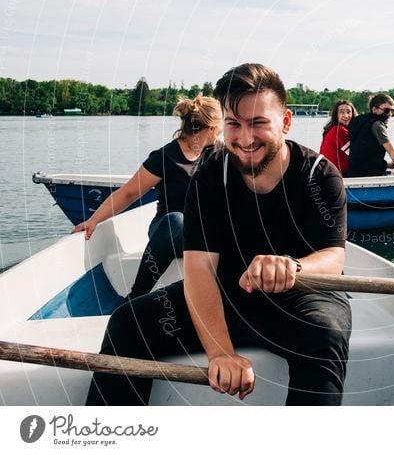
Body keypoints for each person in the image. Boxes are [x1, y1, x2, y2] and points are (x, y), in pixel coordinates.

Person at [86, 63, 351, 406]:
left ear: (285, 121)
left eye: (258, 123)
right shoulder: (211, 174)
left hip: (303, 297)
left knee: (324, 334)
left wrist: (294, 267)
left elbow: (334, 258)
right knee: (129, 322)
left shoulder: (319, 175)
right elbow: (199, 270)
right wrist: (221, 353)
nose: (244, 138)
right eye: (233, 125)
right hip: (229, 295)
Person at [72, 94, 222, 301]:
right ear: (212, 127)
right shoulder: (166, 156)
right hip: (169, 233)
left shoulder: (220, 154)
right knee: (176, 221)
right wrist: (94, 220)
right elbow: (128, 193)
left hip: (204, 237)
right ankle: (135, 298)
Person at [346, 93, 394, 177]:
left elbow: (365, 157)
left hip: (353, 174)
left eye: (392, 111)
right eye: (387, 110)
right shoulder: (377, 125)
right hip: (370, 176)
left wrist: (387, 165)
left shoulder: (358, 121)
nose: (390, 114)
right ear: (374, 109)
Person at [319, 100, 357, 174]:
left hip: (325, 173)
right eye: (341, 112)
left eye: (348, 112)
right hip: (333, 176)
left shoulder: (331, 129)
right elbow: (356, 155)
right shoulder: (339, 130)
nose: (346, 116)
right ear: (336, 115)